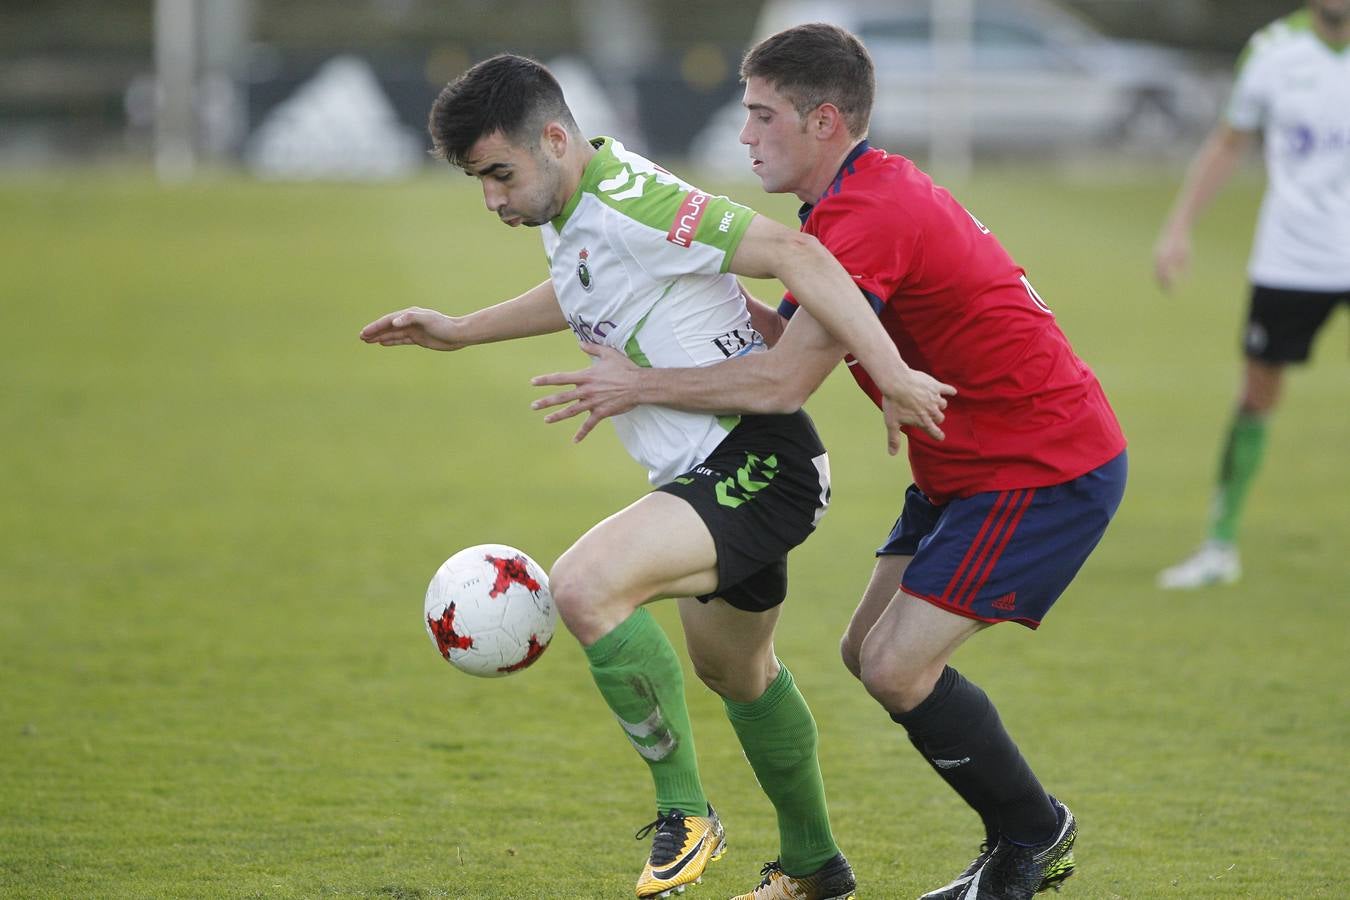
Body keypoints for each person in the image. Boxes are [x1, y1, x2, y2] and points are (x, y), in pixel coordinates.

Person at [531, 24, 1128, 900]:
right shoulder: (850, 202)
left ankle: (1031, 839)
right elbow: (794, 335)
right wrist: (697, 284)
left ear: (823, 121)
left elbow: (779, 383)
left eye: (762, 115)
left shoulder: (867, 215)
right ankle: (941, 849)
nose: (744, 136)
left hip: (1039, 464)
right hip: (961, 466)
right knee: (865, 652)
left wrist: (638, 382)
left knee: (895, 666)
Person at [361, 54, 951, 900]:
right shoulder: (573, 206)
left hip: (757, 460)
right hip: (708, 469)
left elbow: (798, 254)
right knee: (738, 677)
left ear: (555, 140)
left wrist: (889, 372)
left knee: (585, 588)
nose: (492, 198)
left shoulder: (636, 197)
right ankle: (816, 866)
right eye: (477, 181)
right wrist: (460, 330)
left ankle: (687, 813)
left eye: (499, 173)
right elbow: (582, 285)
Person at [1153, 0, 1349, 590]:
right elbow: (1229, 142)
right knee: (1258, 394)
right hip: (1292, 257)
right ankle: (1220, 546)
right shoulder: (1272, 51)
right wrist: (1178, 227)